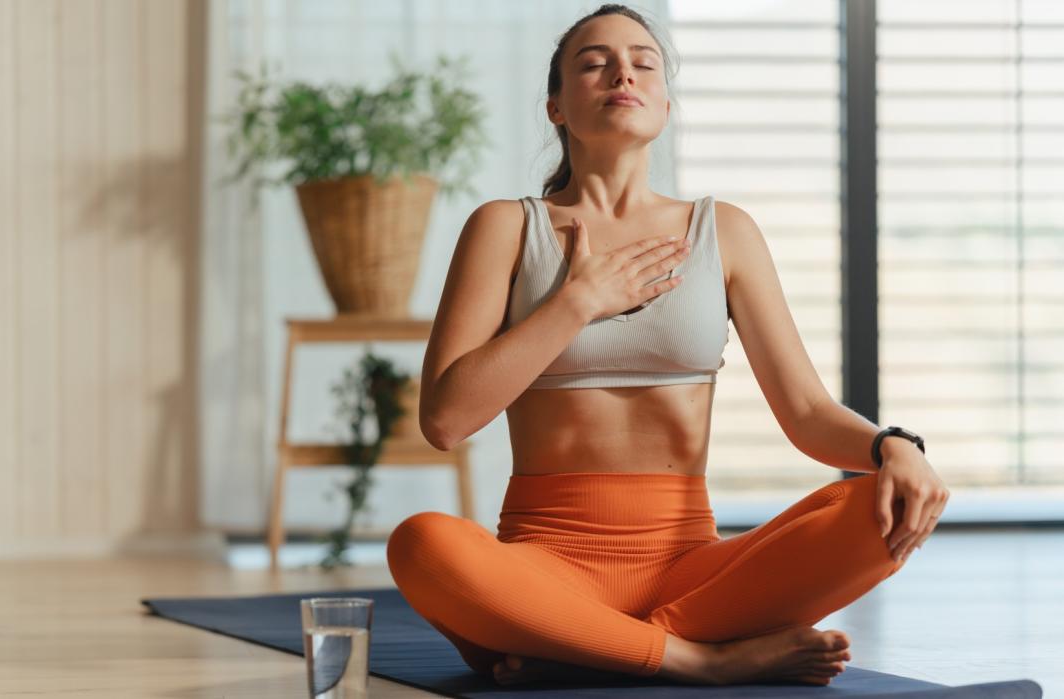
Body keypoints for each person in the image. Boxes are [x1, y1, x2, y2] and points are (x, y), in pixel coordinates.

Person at [386, 3, 950, 688]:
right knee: (421, 542)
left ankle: (578, 647)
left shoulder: (725, 231)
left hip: (692, 573)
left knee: (879, 508)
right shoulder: (505, 228)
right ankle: (696, 658)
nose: (622, 71)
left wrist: (896, 445)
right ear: (556, 107)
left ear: (665, 103)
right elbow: (445, 420)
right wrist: (579, 301)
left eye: (643, 62)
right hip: (546, 563)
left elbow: (806, 411)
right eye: (594, 63)